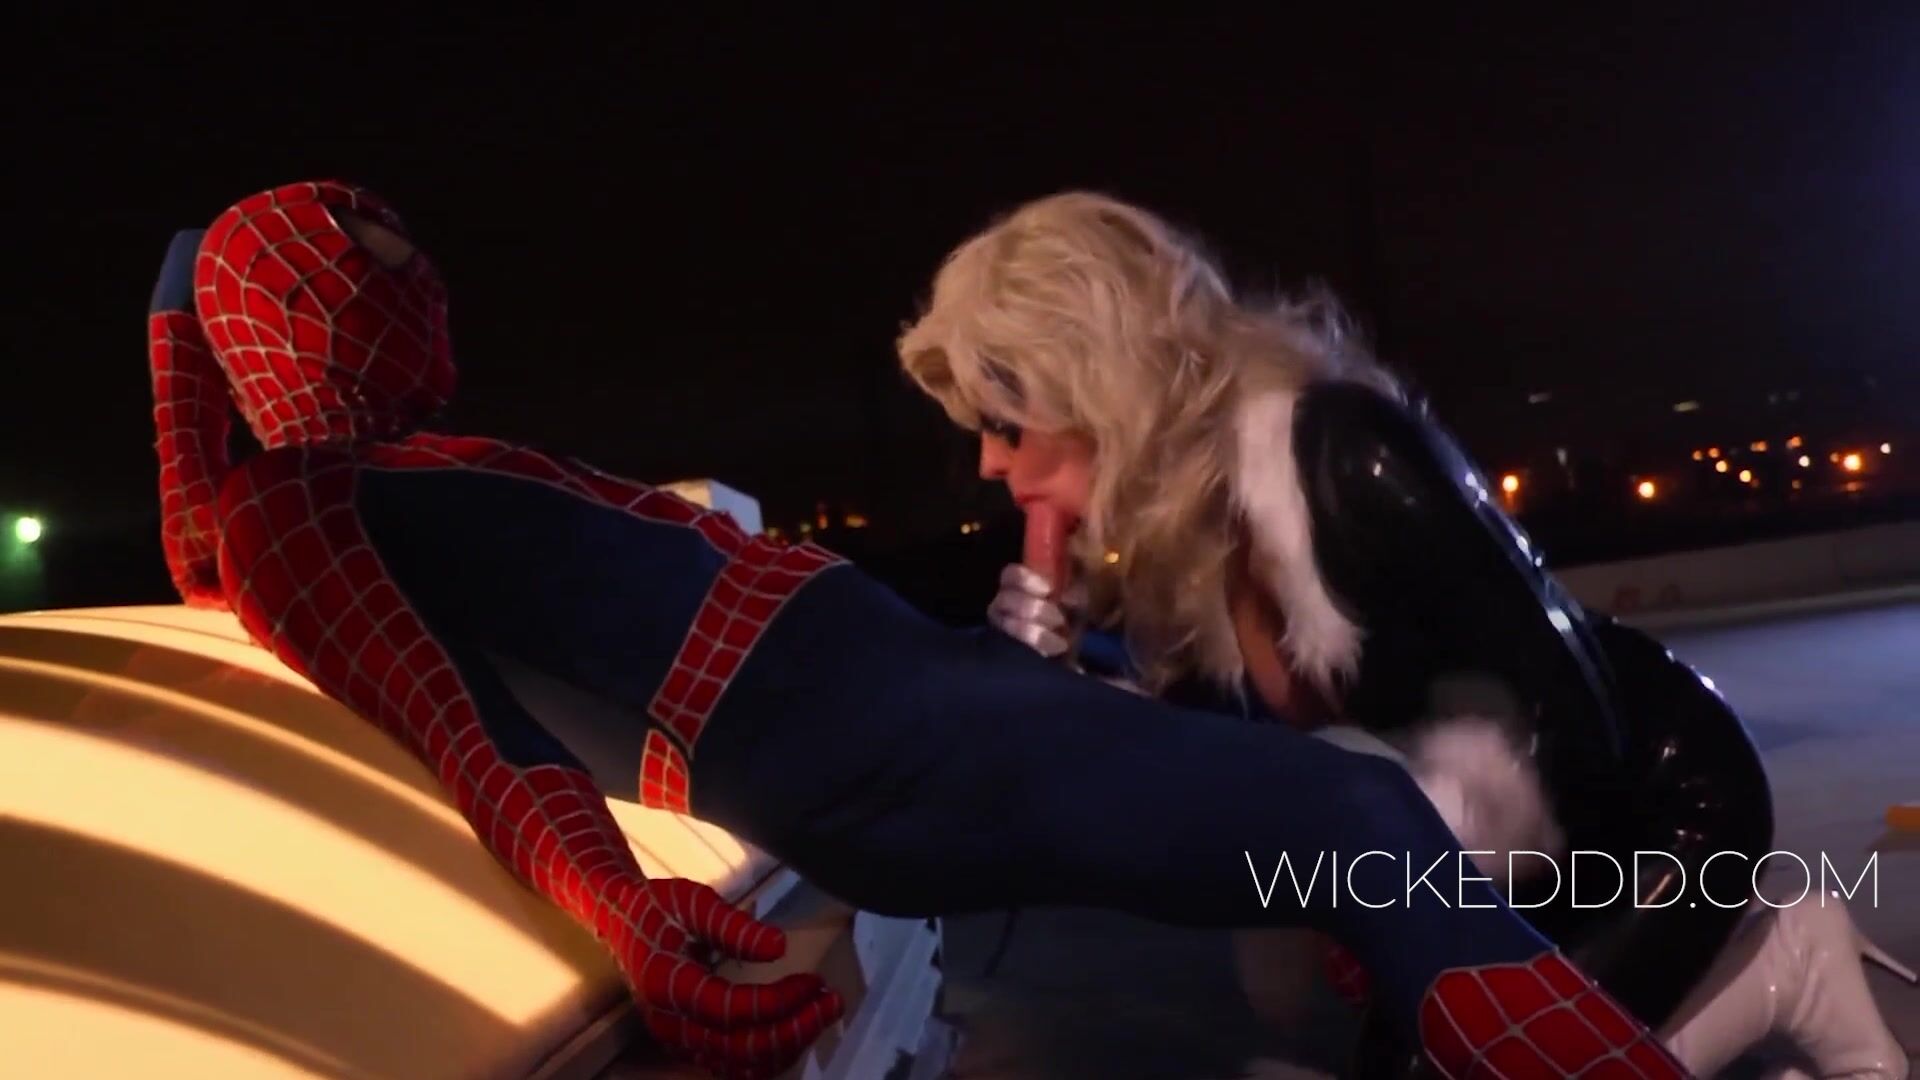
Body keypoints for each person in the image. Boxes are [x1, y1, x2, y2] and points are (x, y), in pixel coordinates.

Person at [147, 178, 1704, 1080]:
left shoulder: (405, 474)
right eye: (353, 276)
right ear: (284, 322)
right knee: (1349, 818)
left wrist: (189, 293)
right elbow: (458, 721)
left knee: (1343, 842)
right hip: (846, 732)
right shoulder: (291, 510)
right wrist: (619, 903)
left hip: (894, 692)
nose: (410, 297)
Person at [896, 189, 1914, 1078]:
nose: (989, 464)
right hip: (1500, 850)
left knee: (1482, 1062)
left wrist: (1413, 901)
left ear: (1099, 386)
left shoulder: (1340, 452)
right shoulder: (1192, 545)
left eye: (1005, 423)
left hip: (1652, 815)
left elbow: (1569, 731)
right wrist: (1060, 682)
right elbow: (1205, 771)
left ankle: (1788, 963)